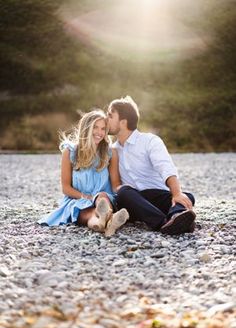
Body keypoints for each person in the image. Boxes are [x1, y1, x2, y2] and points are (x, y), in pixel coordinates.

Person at [107, 96, 196, 235]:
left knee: (187, 196)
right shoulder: (112, 150)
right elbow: (115, 184)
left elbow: (165, 167)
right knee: (123, 193)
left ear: (123, 122)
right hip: (133, 201)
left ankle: (175, 218)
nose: (106, 119)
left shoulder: (150, 141)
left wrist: (177, 193)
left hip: (157, 195)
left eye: (110, 115)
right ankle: (165, 222)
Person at [38, 109, 129, 237]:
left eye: (103, 129)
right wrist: (88, 198)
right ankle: (107, 223)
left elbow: (115, 184)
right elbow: (66, 188)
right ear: (86, 129)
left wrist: (131, 193)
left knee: (101, 197)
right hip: (78, 199)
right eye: (95, 128)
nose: (100, 132)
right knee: (89, 213)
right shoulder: (70, 152)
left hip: (104, 198)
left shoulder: (110, 153)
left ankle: (104, 219)